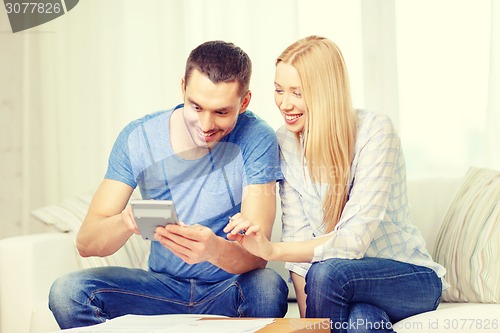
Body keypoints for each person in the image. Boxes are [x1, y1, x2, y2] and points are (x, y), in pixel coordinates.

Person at [49, 40, 288, 329]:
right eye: (196, 106)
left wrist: (213, 250)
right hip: (160, 287)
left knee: (267, 287)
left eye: (221, 112)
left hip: (226, 288)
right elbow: (86, 243)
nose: (205, 124)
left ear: (245, 101)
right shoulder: (139, 137)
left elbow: (257, 256)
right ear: (183, 88)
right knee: (68, 293)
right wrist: (127, 221)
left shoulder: (257, 137)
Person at [224, 35, 446, 332]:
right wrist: (314, 323)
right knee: (361, 321)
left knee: (329, 272)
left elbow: (352, 241)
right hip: (338, 286)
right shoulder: (285, 143)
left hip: (407, 278)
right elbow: (299, 243)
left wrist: (271, 250)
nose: (284, 103)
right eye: (278, 90)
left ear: (325, 92)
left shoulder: (375, 132)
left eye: (297, 93)